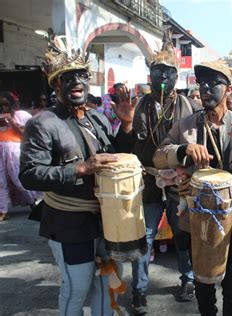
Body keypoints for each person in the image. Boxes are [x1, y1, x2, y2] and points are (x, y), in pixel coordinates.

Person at [153, 45, 232, 316]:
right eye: (202, 82)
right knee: (203, 284)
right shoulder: (186, 125)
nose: (206, 87)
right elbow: (159, 157)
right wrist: (183, 151)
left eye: (214, 82)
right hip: (197, 215)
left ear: (229, 89)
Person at [19, 36, 134, 316]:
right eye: (68, 77)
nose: (77, 83)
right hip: (68, 222)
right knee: (77, 287)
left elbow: (117, 156)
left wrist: (127, 125)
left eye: (81, 75)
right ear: (56, 84)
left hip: (108, 218)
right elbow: (30, 175)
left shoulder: (99, 118)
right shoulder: (42, 124)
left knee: (108, 283)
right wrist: (81, 168)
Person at [130, 30, 201, 314]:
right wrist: (125, 126)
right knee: (143, 236)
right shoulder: (141, 106)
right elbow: (130, 144)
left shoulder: (190, 106)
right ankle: (138, 290)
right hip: (148, 179)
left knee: (183, 234)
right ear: (150, 75)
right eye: (157, 71)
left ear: (177, 76)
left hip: (179, 182)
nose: (162, 77)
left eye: (168, 72)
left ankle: (189, 279)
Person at [0, 91, 41, 221]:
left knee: (19, 179)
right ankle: (3, 210)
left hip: (15, 151)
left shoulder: (21, 115)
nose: (3, 108)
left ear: (11, 105)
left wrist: (11, 121)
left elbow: (29, 133)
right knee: (1, 182)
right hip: (1, 150)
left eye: (5, 105)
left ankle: (36, 202)